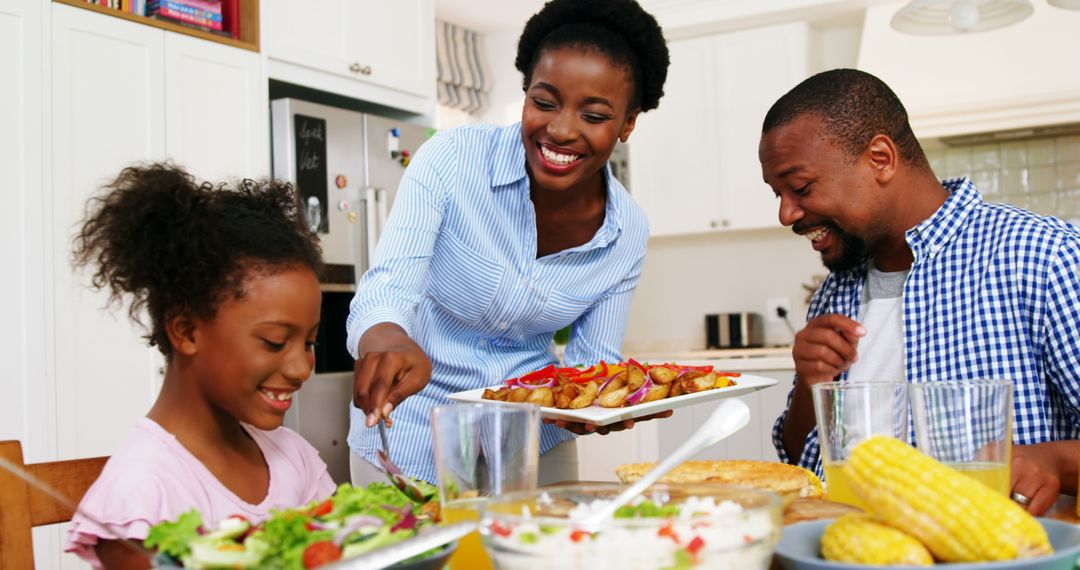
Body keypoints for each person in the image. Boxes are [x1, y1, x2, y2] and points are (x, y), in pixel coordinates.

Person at [347, 0, 671, 486]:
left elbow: (592, 362)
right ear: (525, 95)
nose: (560, 130)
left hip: (533, 447)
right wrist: (386, 339)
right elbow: (390, 286)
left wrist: (609, 399)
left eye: (595, 114)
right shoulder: (452, 160)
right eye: (544, 102)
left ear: (628, 123)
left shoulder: (626, 232)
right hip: (412, 434)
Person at [759, 68, 1080, 516]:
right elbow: (799, 462)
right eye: (777, 193)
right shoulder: (834, 293)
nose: (786, 213)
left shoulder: (1042, 257)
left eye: (801, 188)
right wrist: (810, 392)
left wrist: (1052, 460)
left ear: (880, 159)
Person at [65, 164, 336, 568]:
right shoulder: (141, 493)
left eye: (310, 342)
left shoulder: (292, 457)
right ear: (187, 330)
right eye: (275, 342)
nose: (301, 368)